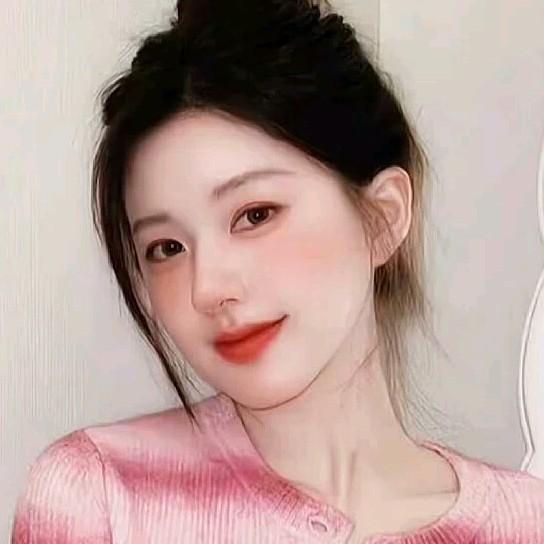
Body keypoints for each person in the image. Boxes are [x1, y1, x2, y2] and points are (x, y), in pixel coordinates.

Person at [11, 1, 544, 542]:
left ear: (383, 218)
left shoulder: (526, 523)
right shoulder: (100, 496)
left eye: (255, 215)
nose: (207, 289)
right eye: (167, 248)